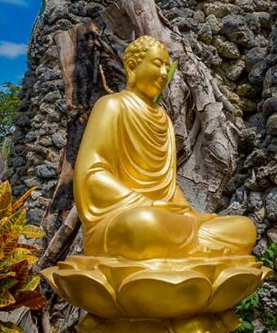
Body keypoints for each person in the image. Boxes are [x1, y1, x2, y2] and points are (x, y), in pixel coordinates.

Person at [73, 35, 256, 259]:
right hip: (124, 220)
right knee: (143, 224)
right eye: (157, 64)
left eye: (167, 67)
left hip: (167, 222)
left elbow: (169, 187)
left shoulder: (164, 120)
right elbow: (91, 175)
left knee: (244, 228)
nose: (163, 73)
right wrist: (147, 203)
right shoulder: (112, 105)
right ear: (132, 66)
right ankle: (196, 249)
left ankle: (186, 246)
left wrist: (188, 213)